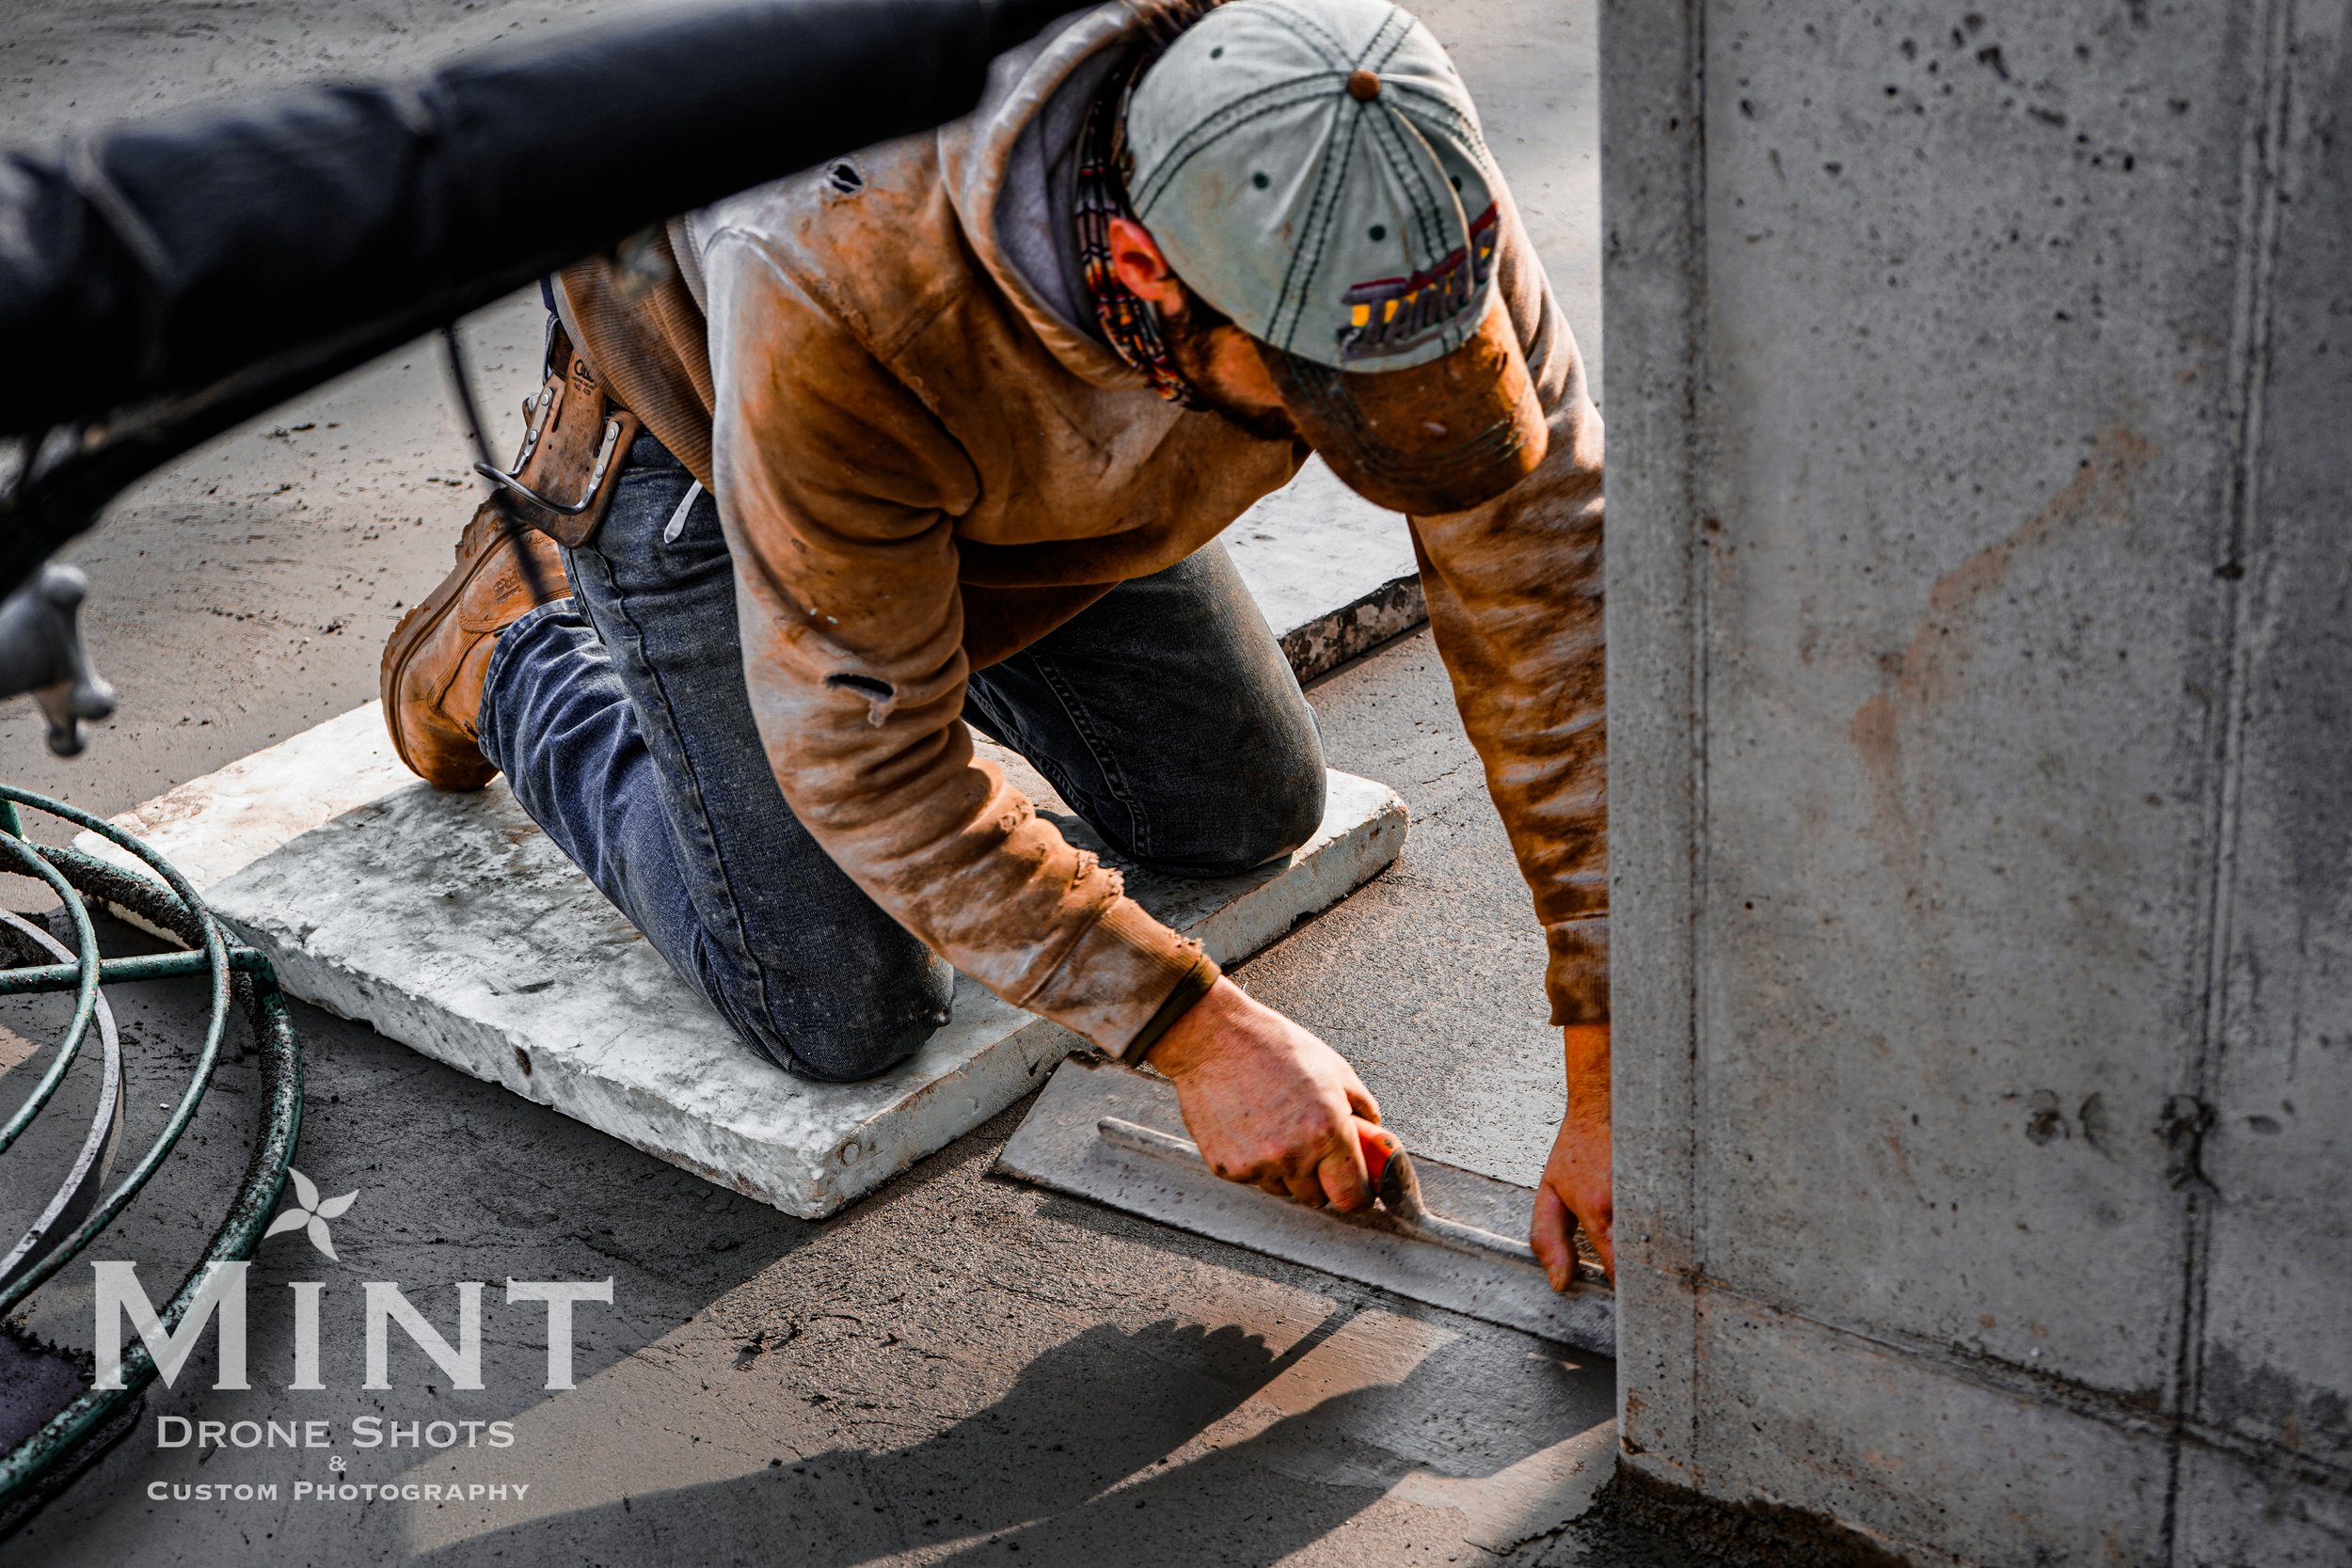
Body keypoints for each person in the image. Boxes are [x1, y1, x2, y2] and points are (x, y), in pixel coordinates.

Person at [379, 0, 1611, 1285]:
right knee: (837, 1003)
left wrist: (1611, 1062)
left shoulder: (1354, 145)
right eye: (1319, 399)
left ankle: (905, 615)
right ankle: (512, 649)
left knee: (1238, 810)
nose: (1362, 430)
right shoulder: (835, 278)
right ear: (1144, 272)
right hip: (697, 411)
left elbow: (1547, 590)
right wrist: (1198, 1035)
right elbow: (868, 770)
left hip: (1017, 433)